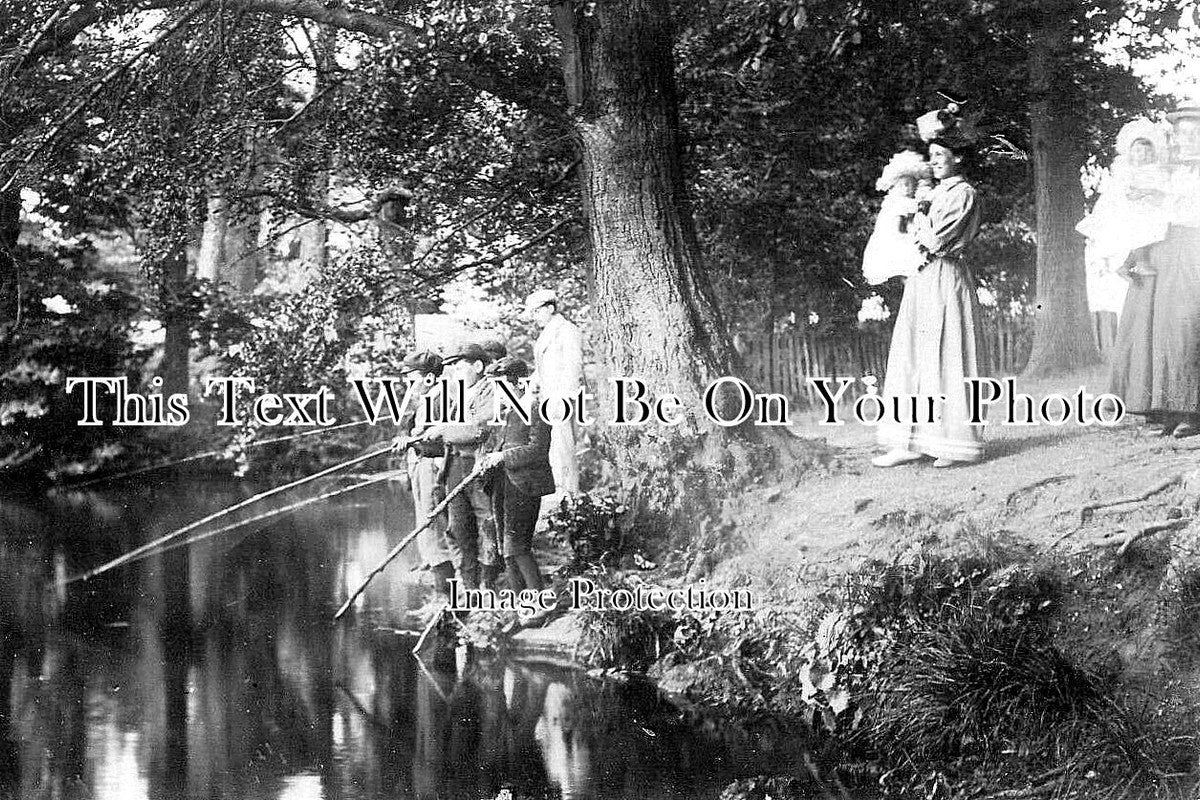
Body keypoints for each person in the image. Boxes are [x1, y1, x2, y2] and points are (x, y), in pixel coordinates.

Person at [873, 112, 985, 468]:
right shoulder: (933, 193)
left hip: (945, 275)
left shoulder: (963, 193)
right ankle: (910, 440)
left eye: (940, 156)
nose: (934, 163)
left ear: (959, 158)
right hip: (921, 278)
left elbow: (935, 239)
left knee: (947, 351)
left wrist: (918, 213)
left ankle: (951, 442)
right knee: (915, 352)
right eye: (932, 157)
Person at [1114, 100, 1200, 438]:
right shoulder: (1168, 170)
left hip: (1195, 246)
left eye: (1193, 135)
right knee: (1156, 328)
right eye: (1181, 135)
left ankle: (1192, 410)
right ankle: (1162, 409)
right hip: (1163, 247)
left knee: (1187, 326)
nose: (1185, 141)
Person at [418, 343, 500, 591]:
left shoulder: (493, 391)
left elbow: (478, 430)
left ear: (478, 366)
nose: (455, 375)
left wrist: (443, 430)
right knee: (458, 527)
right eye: (452, 369)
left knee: (486, 523)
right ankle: (468, 585)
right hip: (454, 465)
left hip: (479, 468)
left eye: (460, 368)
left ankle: (489, 584)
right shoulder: (459, 395)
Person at [477, 357, 555, 602]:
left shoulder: (536, 409)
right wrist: (487, 459)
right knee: (504, 545)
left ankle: (538, 598)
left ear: (519, 383)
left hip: (525, 485)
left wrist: (502, 456)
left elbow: (537, 450)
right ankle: (520, 600)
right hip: (503, 483)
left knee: (517, 544)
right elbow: (497, 443)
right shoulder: (508, 411)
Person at [391, 350, 455, 602]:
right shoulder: (422, 397)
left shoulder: (444, 397)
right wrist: (403, 440)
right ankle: (443, 590)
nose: (408, 382)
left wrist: (413, 441)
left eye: (412, 376)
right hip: (419, 464)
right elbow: (409, 430)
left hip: (433, 466)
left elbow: (443, 438)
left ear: (429, 376)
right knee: (426, 527)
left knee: (433, 527)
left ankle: (445, 594)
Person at [1076, 118, 1171, 279]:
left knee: (1154, 230)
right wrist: (1140, 193)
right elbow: (1125, 191)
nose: (1144, 155)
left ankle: (1126, 266)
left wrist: (1152, 193)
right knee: (1142, 231)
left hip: (1147, 205)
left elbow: (1161, 188)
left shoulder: (1154, 170)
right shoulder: (1127, 171)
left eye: (1148, 152)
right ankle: (1140, 263)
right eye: (1139, 151)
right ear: (1131, 154)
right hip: (1128, 206)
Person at [525, 289, 584, 495]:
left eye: (537, 311)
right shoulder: (547, 333)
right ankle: (559, 494)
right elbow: (543, 368)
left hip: (561, 400)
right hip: (547, 400)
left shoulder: (567, 330)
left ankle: (568, 495)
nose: (534, 317)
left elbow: (573, 367)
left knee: (563, 450)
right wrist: (533, 383)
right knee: (552, 450)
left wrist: (563, 400)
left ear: (550, 308)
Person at [861, 124, 933, 286]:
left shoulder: (920, 168)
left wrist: (919, 204)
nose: (907, 188)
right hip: (897, 219)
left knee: (914, 256)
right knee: (898, 246)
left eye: (910, 184)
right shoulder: (897, 198)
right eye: (903, 184)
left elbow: (923, 188)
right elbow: (899, 225)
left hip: (912, 216)